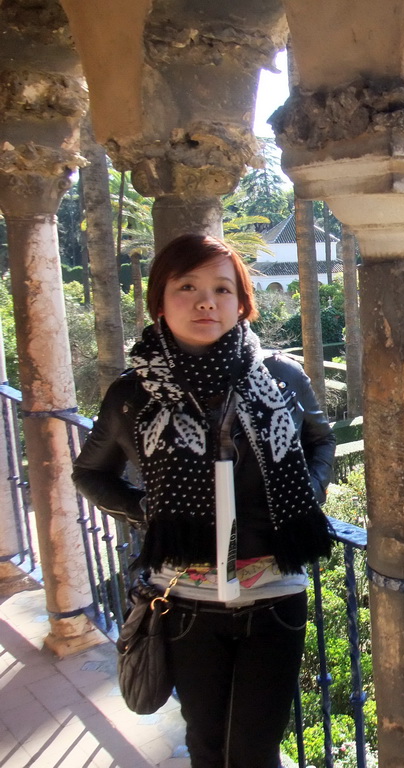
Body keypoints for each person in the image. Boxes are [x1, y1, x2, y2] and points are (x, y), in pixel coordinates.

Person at [73, 234, 335, 768]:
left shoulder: (280, 377)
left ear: (242, 303)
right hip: (185, 599)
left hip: (274, 594)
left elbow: (319, 439)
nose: (205, 302)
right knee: (207, 743)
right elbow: (89, 473)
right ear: (159, 300)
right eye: (186, 286)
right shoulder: (133, 395)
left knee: (255, 748)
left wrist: (305, 496)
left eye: (222, 288)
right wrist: (148, 513)